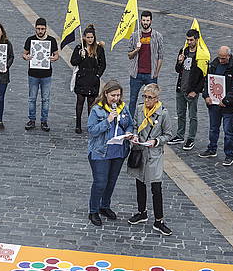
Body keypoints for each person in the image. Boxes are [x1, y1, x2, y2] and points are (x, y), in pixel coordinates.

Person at [128, 83, 174, 236]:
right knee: (140, 182)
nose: (147, 100)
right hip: (140, 151)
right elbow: (134, 125)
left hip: (154, 154)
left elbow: (168, 134)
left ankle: (159, 220)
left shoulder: (163, 114)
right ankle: (142, 212)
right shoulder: (140, 109)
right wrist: (134, 136)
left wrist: (156, 141)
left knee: (156, 187)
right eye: (145, 97)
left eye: (150, 97)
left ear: (157, 98)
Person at [86, 80, 134, 226]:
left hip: (118, 151)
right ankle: (93, 210)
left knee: (111, 182)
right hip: (101, 152)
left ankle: (104, 206)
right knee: (100, 183)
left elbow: (130, 124)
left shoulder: (123, 108)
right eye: (113, 95)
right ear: (105, 94)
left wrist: (129, 133)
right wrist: (107, 120)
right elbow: (92, 130)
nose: (116, 98)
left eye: (118, 95)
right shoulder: (97, 110)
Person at [199, 46, 233, 166]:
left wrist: (226, 100)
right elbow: (207, 81)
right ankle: (212, 148)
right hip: (214, 104)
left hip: (228, 106)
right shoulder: (214, 64)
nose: (221, 60)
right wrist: (206, 95)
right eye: (219, 57)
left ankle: (229, 155)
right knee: (213, 128)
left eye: (223, 58)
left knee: (228, 131)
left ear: (229, 56)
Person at [167, 29, 205, 151]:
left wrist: (196, 91)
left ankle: (191, 138)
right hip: (180, 88)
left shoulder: (201, 55)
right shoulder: (183, 51)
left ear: (196, 39)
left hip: (192, 90)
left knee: (192, 116)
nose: (189, 42)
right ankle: (180, 135)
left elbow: (204, 76)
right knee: (180, 113)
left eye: (191, 40)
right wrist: (179, 61)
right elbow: (177, 69)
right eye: (187, 39)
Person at [22, 18, 59, 132]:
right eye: (38, 28)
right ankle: (32, 120)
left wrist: (54, 58)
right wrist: (26, 57)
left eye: (42, 29)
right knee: (32, 98)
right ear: (35, 28)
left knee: (45, 99)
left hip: (46, 74)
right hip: (33, 74)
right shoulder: (30, 40)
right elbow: (24, 53)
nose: (40, 31)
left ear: (46, 29)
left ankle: (44, 121)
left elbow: (56, 55)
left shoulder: (52, 40)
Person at [126, 11, 164, 118]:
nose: (145, 22)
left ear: (151, 21)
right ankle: (130, 121)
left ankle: (152, 121)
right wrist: (136, 50)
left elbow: (160, 56)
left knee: (153, 100)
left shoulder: (157, 36)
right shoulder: (134, 36)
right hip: (136, 74)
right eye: (143, 20)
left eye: (147, 20)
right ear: (141, 21)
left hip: (150, 74)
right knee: (133, 100)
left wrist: (156, 72)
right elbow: (129, 55)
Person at [70, 25, 106, 134]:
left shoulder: (99, 49)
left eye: (92, 37)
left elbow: (103, 64)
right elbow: (73, 61)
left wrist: (98, 75)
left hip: (93, 79)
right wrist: (81, 56)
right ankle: (78, 125)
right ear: (84, 37)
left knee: (91, 103)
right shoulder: (79, 48)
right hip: (82, 78)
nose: (90, 39)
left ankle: (91, 124)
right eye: (88, 37)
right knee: (80, 102)